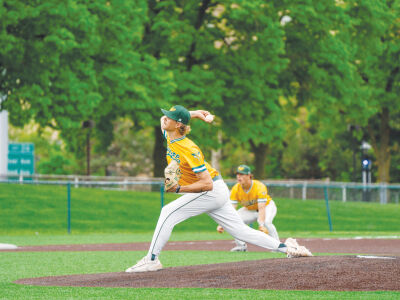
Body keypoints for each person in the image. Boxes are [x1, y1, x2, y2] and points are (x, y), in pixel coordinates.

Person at [126, 105, 312, 273]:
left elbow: (207, 184)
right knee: (241, 231)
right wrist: (195, 114)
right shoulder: (170, 135)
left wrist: (179, 188)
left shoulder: (189, 148)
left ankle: (151, 259)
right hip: (217, 191)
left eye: (170, 117)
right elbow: (162, 120)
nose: (164, 118)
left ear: (177, 125)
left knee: (168, 212)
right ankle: (289, 248)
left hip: (211, 190)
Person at [217, 165, 280, 252]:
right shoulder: (236, 189)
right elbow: (232, 208)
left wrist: (261, 224)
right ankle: (241, 246)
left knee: (267, 222)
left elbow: (261, 207)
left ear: (249, 176)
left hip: (267, 207)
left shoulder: (259, 186)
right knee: (234, 221)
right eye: (238, 174)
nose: (239, 176)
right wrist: (223, 224)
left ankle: (278, 246)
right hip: (249, 210)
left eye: (242, 174)